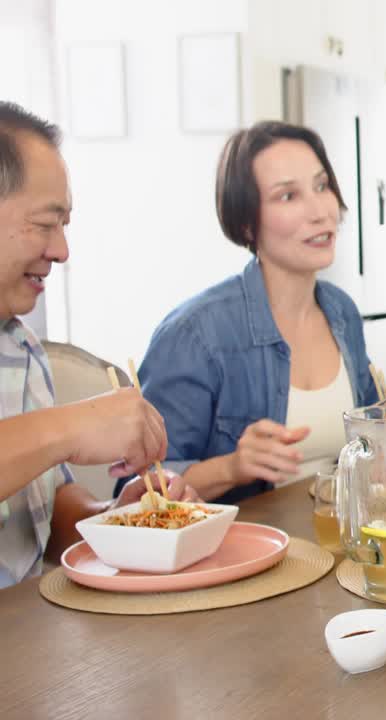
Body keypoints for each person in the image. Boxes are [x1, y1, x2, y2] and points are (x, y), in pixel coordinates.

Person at [136, 122, 386, 505]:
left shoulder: (341, 312)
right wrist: (232, 468)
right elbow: (142, 490)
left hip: (336, 534)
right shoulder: (195, 334)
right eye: (288, 196)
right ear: (246, 224)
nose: (321, 211)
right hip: (249, 543)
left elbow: (375, 439)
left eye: (322, 186)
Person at [0, 102, 196, 588]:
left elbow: (42, 516)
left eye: (64, 225)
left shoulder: (21, 349)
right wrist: (71, 427)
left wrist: (117, 517)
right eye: (45, 224)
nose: (61, 251)